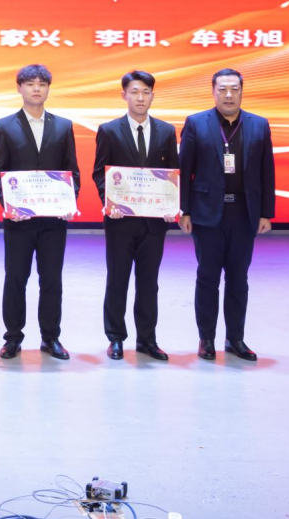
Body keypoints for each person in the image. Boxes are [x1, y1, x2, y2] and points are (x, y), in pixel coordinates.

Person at [179, 68, 275, 362]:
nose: (229, 95)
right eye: (222, 89)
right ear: (213, 92)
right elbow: (185, 170)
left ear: (242, 91)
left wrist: (266, 213)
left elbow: (267, 171)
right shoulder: (196, 123)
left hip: (244, 214)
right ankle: (206, 339)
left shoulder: (259, 125)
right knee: (207, 277)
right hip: (206, 214)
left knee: (238, 279)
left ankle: (235, 339)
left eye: (234, 89)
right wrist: (184, 210)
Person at [0, 64, 80, 361]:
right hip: (19, 220)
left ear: (48, 89)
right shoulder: (5, 126)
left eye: (42, 84)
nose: (36, 89)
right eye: (30, 84)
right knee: (16, 278)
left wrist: (69, 202)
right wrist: (9, 206)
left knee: (51, 280)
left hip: (54, 220)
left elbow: (72, 170)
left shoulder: (63, 126)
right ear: (20, 88)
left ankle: (50, 337)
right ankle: (12, 338)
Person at [91, 70, 178, 362]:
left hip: (154, 223)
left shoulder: (166, 131)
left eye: (146, 92)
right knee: (117, 280)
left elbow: (173, 174)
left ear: (153, 96)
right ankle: (116, 338)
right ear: (124, 95)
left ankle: (147, 340)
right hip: (120, 221)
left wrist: (171, 204)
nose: (140, 98)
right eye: (135, 92)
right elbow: (99, 173)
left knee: (149, 283)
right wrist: (110, 202)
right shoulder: (109, 130)